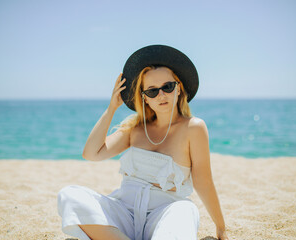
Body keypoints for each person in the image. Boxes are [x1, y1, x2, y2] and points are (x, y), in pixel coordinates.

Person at [57, 45, 229, 240]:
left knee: (185, 209)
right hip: (124, 212)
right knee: (69, 195)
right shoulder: (135, 129)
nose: (161, 95)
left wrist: (220, 227)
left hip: (166, 212)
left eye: (168, 87)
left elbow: (203, 182)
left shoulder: (194, 128)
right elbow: (91, 154)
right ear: (144, 98)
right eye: (152, 91)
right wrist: (111, 108)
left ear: (179, 88)